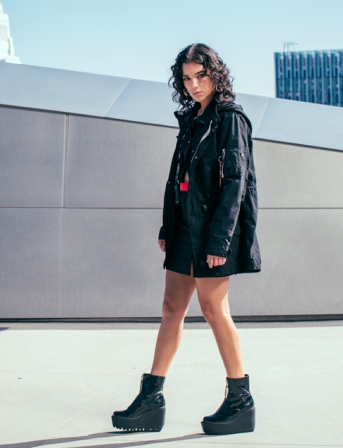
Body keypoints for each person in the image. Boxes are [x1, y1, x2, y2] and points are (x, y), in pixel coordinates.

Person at [111, 43, 261, 435]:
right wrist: (168, 225)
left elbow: (236, 183)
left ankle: (240, 400)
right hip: (184, 226)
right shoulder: (192, 119)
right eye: (187, 78)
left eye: (201, 76)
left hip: (213, 230)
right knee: (170, 308)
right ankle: (151, 398)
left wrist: (220, 241)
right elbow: (177, 177)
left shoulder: (230, 119)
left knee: (213, 309)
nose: (194, 85)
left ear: (216, 74)